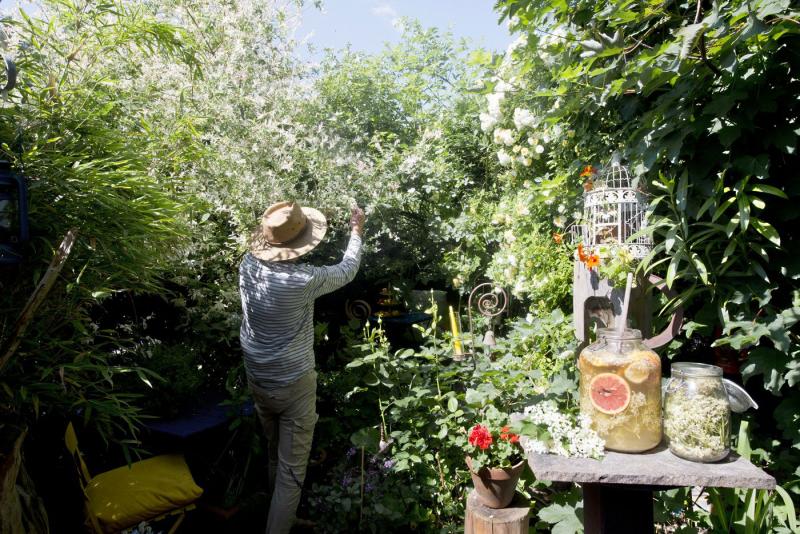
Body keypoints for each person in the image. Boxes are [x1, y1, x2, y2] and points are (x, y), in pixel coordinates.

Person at [239, 201, 365, 533]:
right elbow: (347, 269)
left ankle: (279, 515)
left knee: (273, 451)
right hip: (293, 382)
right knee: (291, 472)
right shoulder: (302, 280)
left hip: (258, 376)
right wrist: (356, 230)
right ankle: (279, 525)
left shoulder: (247, 266)